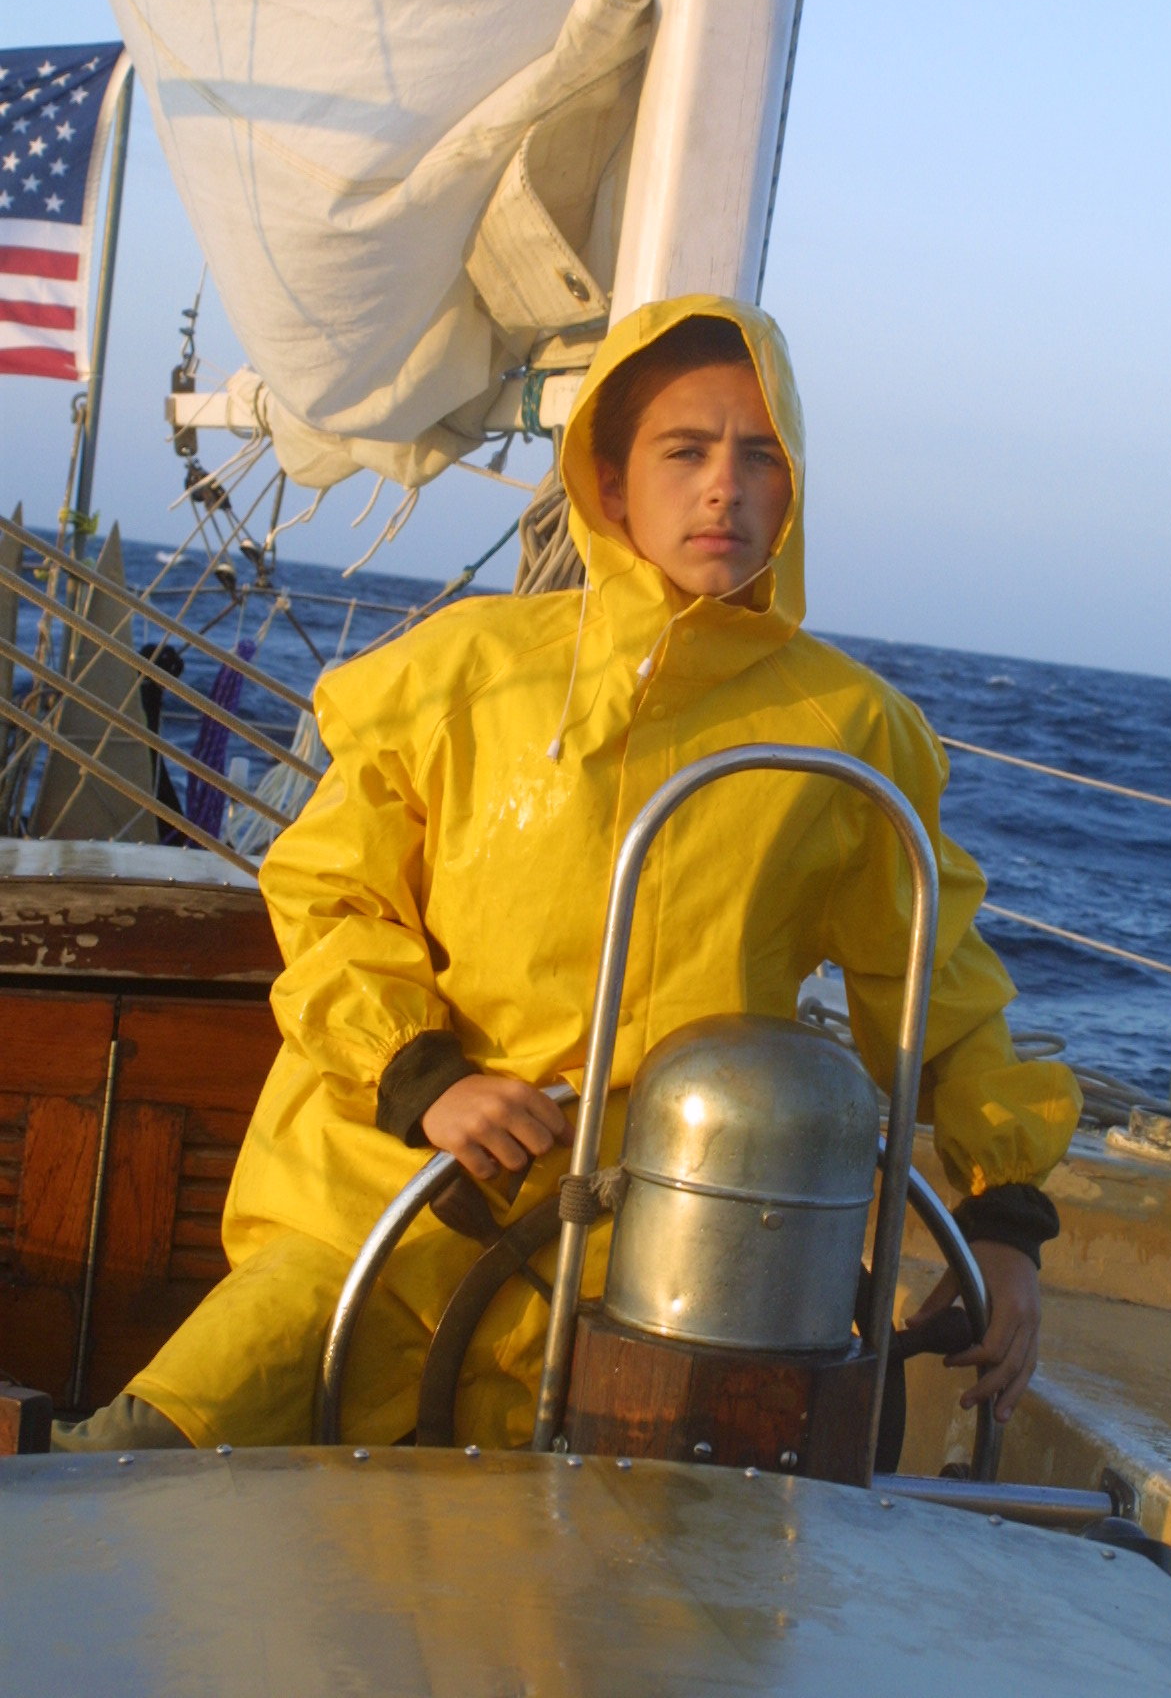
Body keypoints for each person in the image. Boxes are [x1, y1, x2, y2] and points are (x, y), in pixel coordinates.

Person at [56, 294, 1079, 1453]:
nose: (724, 489)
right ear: (609, 479)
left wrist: (1003, 1222)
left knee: (543, 1561)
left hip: (637, 1275)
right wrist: (423, 1075)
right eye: (684, 451)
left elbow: (935, 989)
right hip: (372, 1211)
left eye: (759, 456)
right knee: (140, 1458)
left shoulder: (849, 734)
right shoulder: (462, 673)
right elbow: (329, 893)